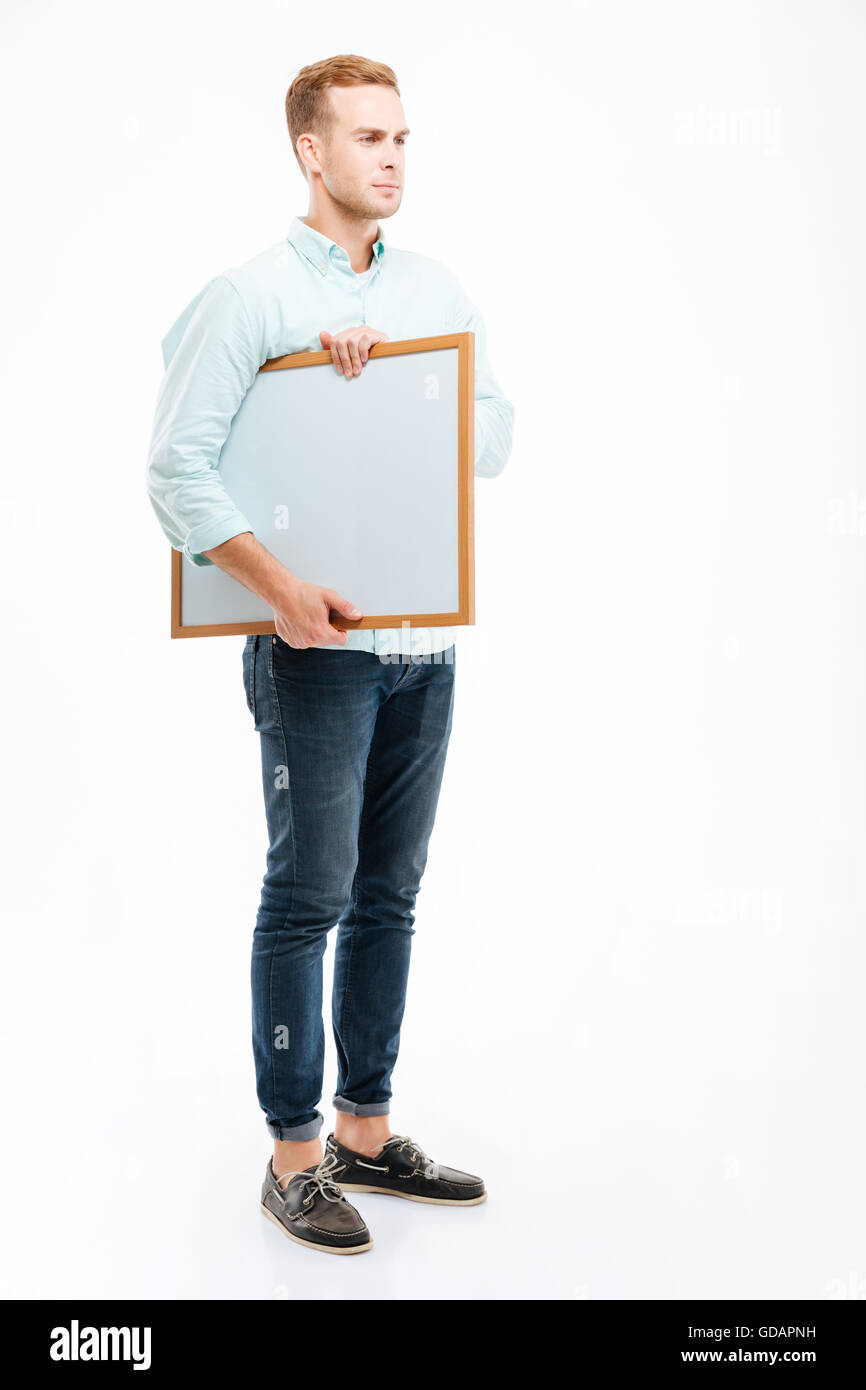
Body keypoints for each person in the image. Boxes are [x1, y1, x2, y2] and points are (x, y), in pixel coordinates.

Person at [146, 53, 514, 1255]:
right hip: (313, 647)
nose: (391, 157)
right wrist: (282, 587)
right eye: (367, 137)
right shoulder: (246, 297)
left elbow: (493, 434)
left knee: (389, 894)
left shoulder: (434, 288)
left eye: (401, 137)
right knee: (309, 894)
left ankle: (364, 1131)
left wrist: (387, 382)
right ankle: (293, 1157)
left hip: (422, 643)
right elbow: (176, 469)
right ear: (311, 151)